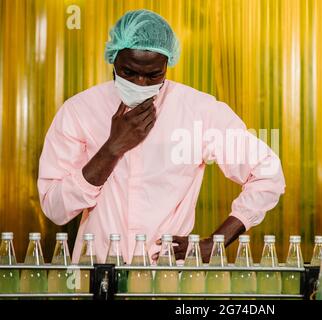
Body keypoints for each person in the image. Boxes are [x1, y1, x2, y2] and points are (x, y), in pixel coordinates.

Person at [38, 9, 285, 264]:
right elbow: (55, 208)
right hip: (97, 271)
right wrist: (111, 148)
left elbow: (268, 173)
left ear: (168, 64)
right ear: (113, 60)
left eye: (154, 74)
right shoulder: (80, 111)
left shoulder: (199, 111)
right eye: (129, 72)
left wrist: (216, 243)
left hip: (167, 276)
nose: (141, 84)